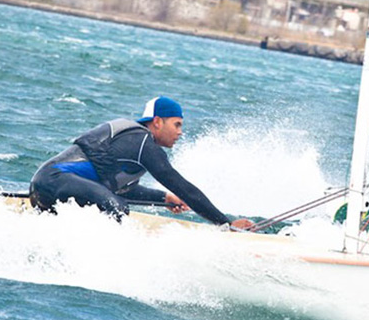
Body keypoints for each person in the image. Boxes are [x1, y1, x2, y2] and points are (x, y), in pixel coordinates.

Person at [29, 96, 254, 230]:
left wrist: (163, 198)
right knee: (117, 207)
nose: (180, 132)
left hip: (47, 186)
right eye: (177, 125)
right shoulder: (142, 143)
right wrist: (224, 224)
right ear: (157, 122)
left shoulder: (135, 144)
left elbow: (117, 188)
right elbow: (182, 186)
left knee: (115, 201)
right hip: (54, 180)